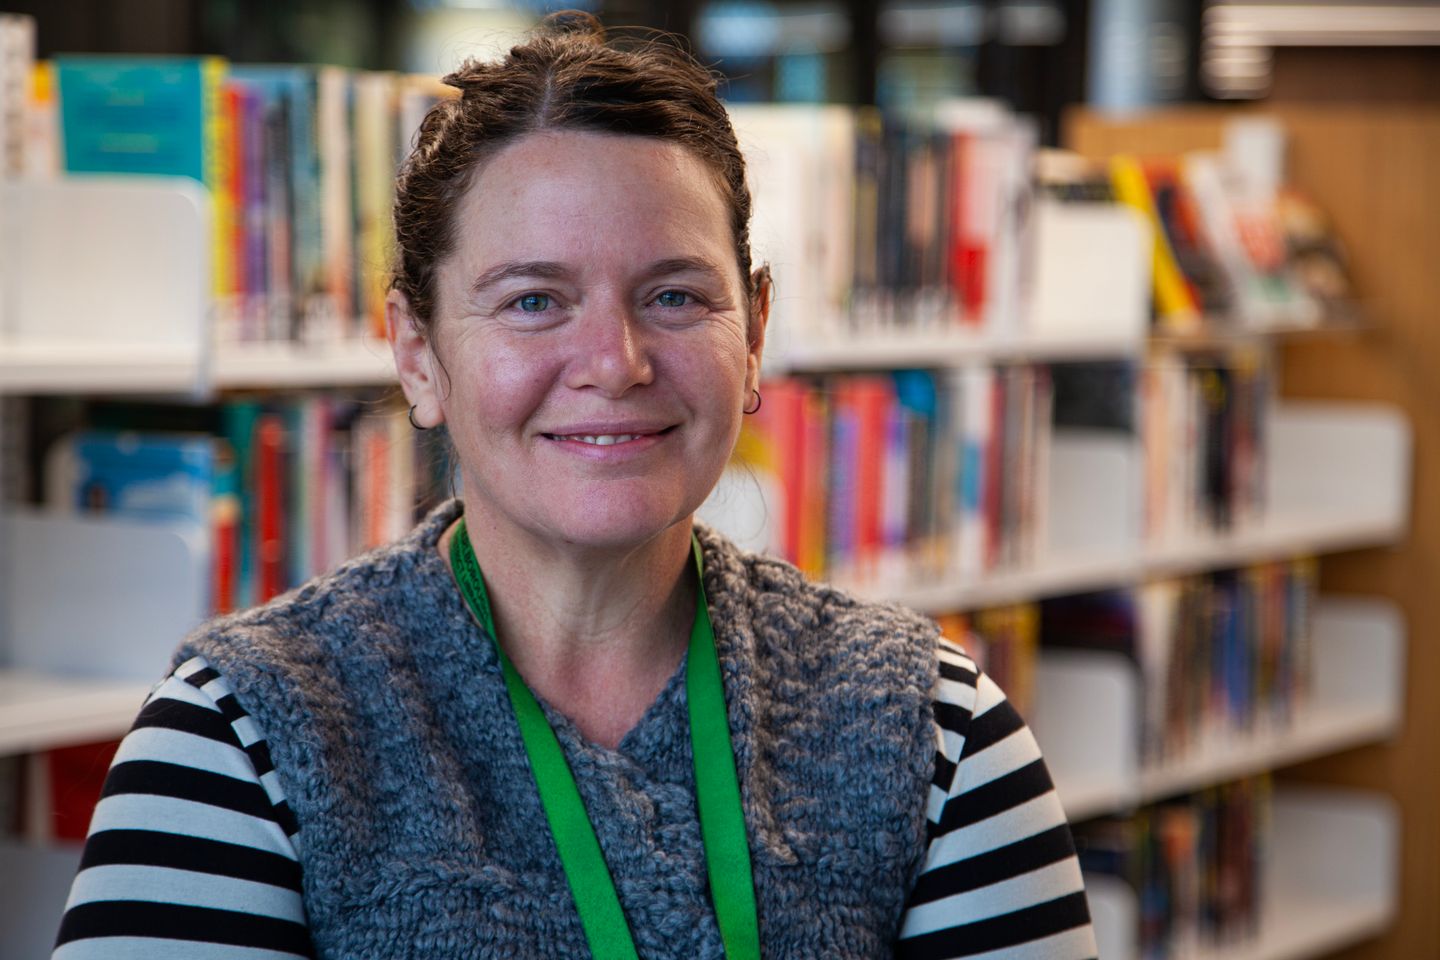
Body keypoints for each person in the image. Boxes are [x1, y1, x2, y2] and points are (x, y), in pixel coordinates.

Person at [53, 12, 1098, 960]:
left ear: (754, 338)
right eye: (534, 301)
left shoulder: (935, 732)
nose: (615, 361)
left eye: (675, 296)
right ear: (417, 354)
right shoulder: (239, 739)